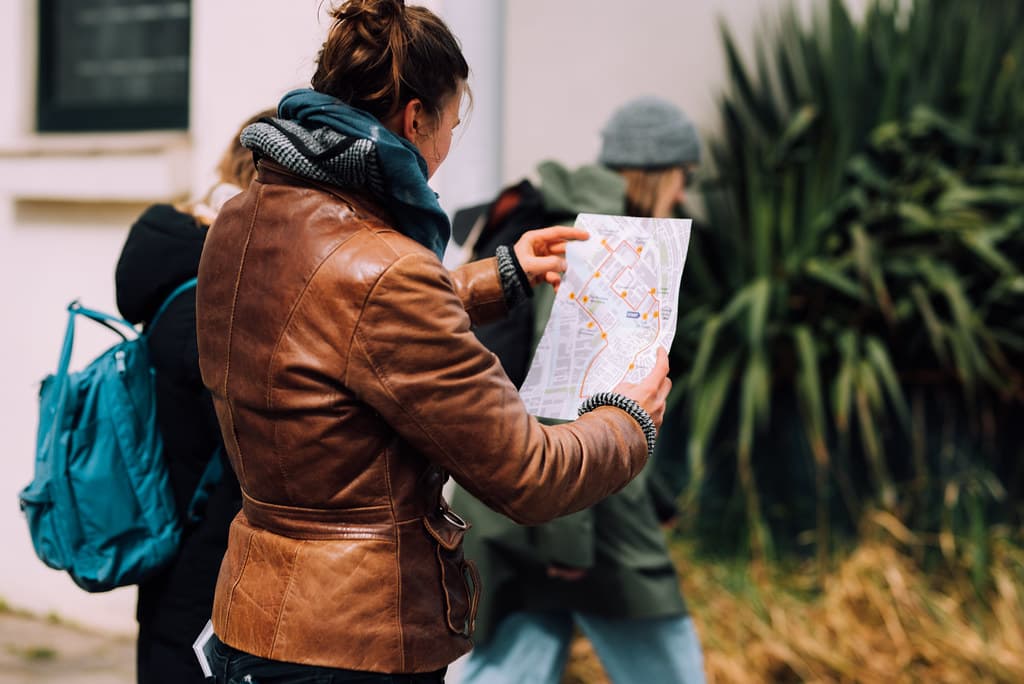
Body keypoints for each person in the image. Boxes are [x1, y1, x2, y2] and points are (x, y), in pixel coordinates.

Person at [194, 2, 671, 683]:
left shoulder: (239, 223)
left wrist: (498, 275)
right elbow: (528, 473)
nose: (447, 147)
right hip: (356, 642)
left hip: (254, 613)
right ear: (415, 120)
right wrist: (630, 420)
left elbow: (329, 317)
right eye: (451, 123)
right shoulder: (386, 272)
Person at [450, 96, 706, 684]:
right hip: (585, 516)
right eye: (684, 178)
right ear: (657, 172)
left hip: (510, 507)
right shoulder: (614, 243)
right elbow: (571, 399)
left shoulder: (544, 216)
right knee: (671, 671)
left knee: (513, 663)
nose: (685, 196)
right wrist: (567, 542)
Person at [115, 108, 274, 684]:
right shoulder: (221, 296)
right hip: (209, 584)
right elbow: (254, 454)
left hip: (171, 557)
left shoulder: (180, 269)